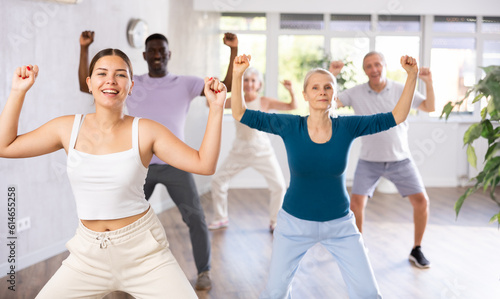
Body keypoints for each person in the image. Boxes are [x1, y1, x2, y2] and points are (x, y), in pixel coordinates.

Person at [0, 49, 227, 298]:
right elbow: (5, 146)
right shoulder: (66, 128)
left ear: (131, 86)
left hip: (143, 254)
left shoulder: (146, 131)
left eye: (121, 75)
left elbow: (204, 164)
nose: (111, 80)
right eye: (102, 73)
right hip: (88, 256)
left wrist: (216, 109)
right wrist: (18, 92)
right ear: (89, 83)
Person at [230, 53, 419, 298]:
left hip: (340, 225)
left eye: (328, 87)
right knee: (275, 293)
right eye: (315, 87)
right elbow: (240, 113)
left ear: (334, 95)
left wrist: (412, 76)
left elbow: (397, 116)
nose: (322, 91)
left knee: (368, 293)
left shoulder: (347, 126)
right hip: (293, 225)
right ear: (306, 94)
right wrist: (237, 75)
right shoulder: (290, 125)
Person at [78, 30, 238, 289]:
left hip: (177, 165)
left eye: (161, 51)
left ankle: (204, 271)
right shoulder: (133, 83)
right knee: (117, 219)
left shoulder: (186, 83)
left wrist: (233, 50)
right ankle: (110, 273)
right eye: (151, 51)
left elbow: (224, 87)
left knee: (195, 218)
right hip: (139, 166)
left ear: (168, 54)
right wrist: (85, 48)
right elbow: (84, 85)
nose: (156, 55)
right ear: (144, 55)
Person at [330, 51, 434, 268]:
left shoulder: (399, 88)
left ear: (384, 66)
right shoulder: (356, 92)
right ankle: (358, 246)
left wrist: (428, 81)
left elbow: (429, 107)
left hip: (401, 159)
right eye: (368, 66)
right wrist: (332, 75)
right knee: (356, 203)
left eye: (377, 64)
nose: (373, 69)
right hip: (369, 160)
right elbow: (331, 105)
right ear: (364, 70)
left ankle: (417, 249)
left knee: (422, 202)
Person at [208, 67, 296, 232]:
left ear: (259, 84)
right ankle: (221, 217)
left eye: (253, 80)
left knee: (279, 186)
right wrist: (214, 87)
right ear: (241, 83)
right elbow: (211, 103)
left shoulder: (264, 102)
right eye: (245, 80)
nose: (249, 84)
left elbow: (292, 105)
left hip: (262, 151)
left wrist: (291, 90)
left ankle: (275, 221)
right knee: (217, 180)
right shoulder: (235, 100)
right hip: (239, 151)